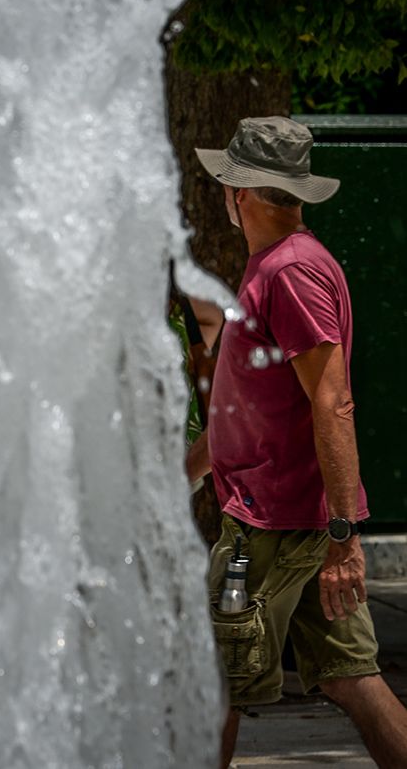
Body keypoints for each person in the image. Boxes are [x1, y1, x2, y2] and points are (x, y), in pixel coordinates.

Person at [185, 116, 407, 768]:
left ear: (242, 192)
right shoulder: (274, 269)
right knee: (353, 680)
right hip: (288, 522)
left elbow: (332, 401)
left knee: (210, 689)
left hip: (273, 529)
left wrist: (345, 535)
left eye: (227, 182)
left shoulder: (291, 274)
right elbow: (251, 407)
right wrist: (190, 469)